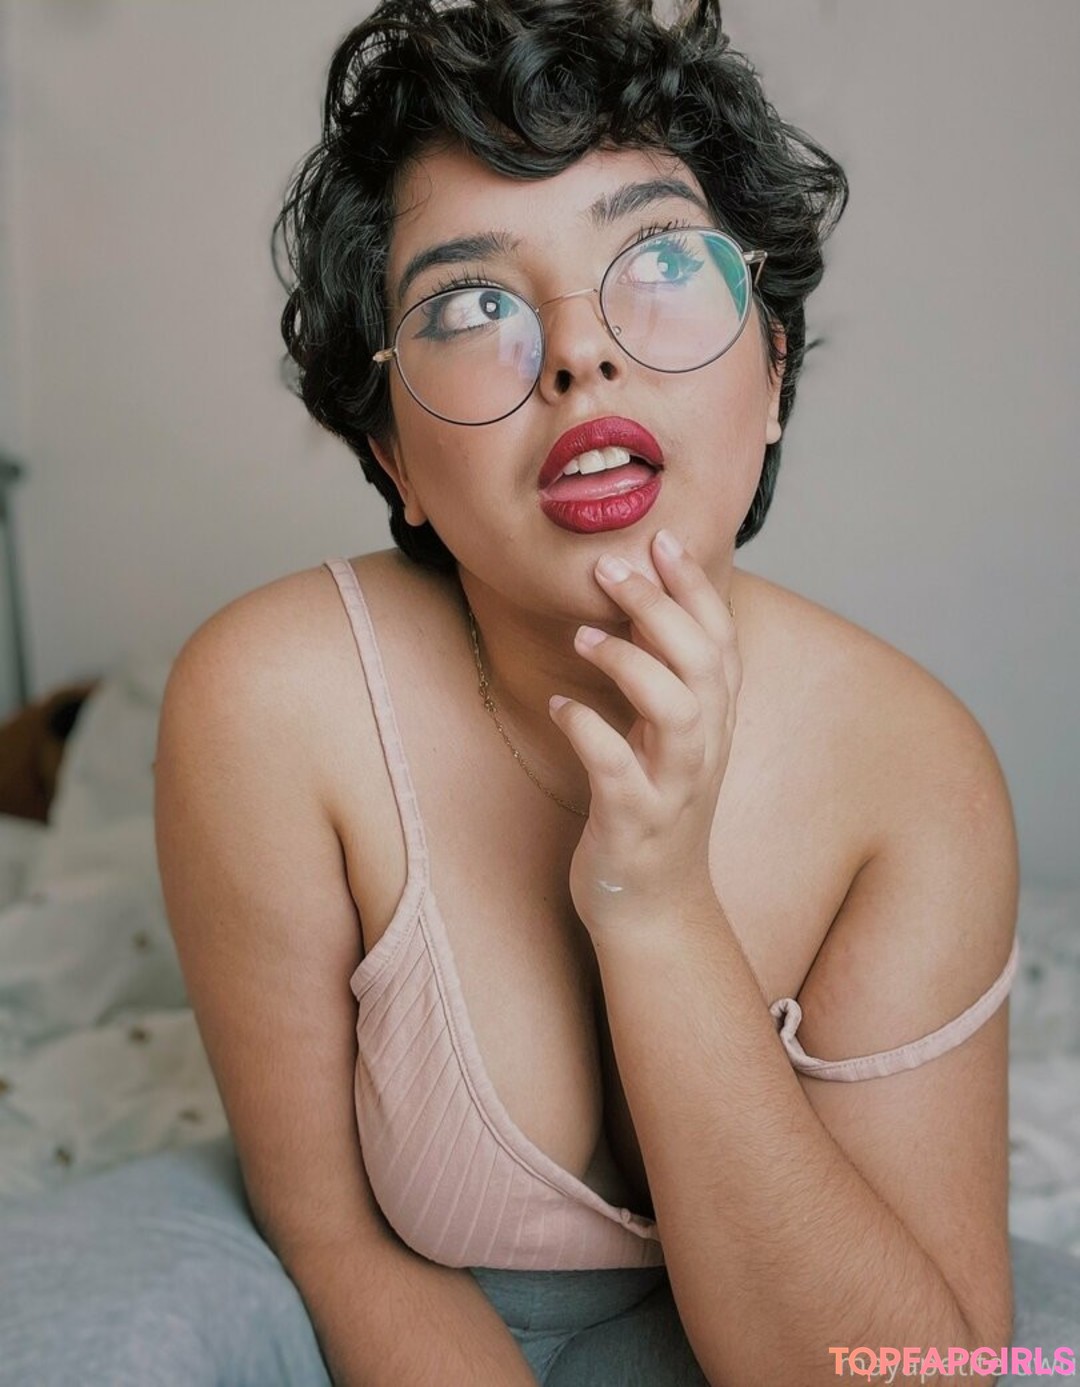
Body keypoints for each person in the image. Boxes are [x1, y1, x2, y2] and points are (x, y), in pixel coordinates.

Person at [5, 2, 1076, 1385]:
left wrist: (656, 902)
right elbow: (337, 1238)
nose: (580, 356)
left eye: (660, 259)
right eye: (472, 303)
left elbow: (892, 1370)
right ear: (392, 458)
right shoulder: (268, 701)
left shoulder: (913, 772)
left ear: (774, 371)